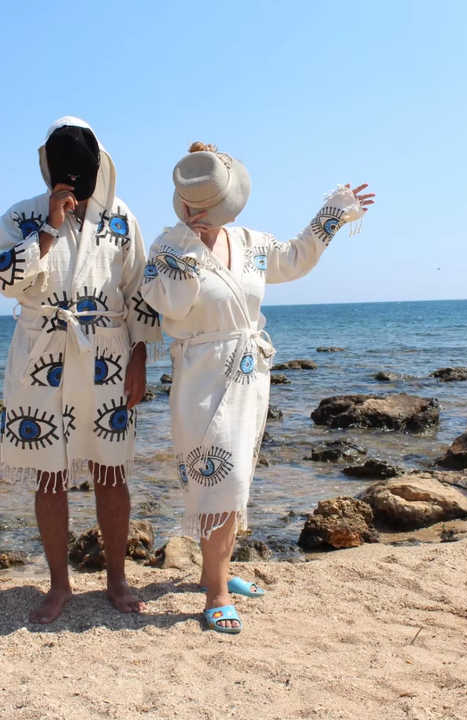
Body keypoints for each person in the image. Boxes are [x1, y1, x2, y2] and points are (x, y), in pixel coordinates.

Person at [141, 142, 374, 633]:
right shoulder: (167, 247)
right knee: (217, 479)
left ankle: (214, 572)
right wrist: (191, 246)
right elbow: (172, 306)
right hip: (201, 376)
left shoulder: (249, 242)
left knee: (238, 477)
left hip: (249, 374)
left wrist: (332, 213)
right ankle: (217, 593)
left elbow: (295, 258)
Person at [0, 116, 162, 623]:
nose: (74, 187)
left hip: (108, 356)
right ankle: (59, 584)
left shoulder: (121, 218)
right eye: (65, 176)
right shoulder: (21, 216)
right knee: (49, 475)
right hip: (42, 356)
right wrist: (49, 227)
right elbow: (4, 280)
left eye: (82, 177)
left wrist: (140, 357)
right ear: (48, 169)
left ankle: (117, 578)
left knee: (111, 470)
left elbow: (139, 290)